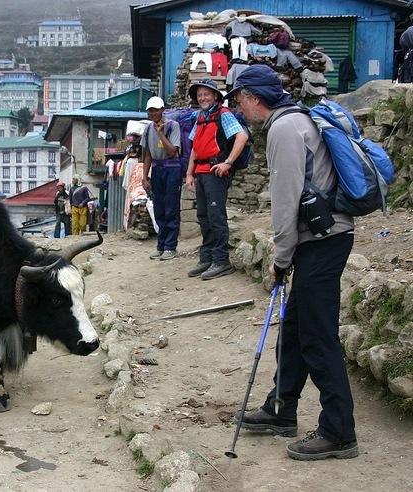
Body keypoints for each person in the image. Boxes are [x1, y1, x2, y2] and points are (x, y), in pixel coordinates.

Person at [227, 64, 358, 460]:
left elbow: (286, 202)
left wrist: (280, 259)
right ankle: (281, 408)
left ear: (252, 98)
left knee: (318, 338)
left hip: (321, 241)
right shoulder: (299, 120)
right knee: (297, 329)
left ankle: (339, 432)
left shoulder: (284, 129)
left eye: (239, 101)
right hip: (324, 237)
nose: (239, 109)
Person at [185, 80, 248, 280]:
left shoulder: (224, 115)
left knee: (216, 216)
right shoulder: (201, 117)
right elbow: (195, 147)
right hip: (202, 172)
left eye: (206, 94)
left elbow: (242, 137)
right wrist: (189, 173)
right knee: (204, 216)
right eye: (199, 95)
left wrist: (228, 163)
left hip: (216, 173)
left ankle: (221, 261)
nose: (202, 98)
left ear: (215, 96)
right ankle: (207, 258)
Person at [141, 96, 183, 260]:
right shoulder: (147, 129)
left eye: (156, 110)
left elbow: (173, 151)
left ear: (162, 110)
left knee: (170, 208)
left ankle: (171, 246)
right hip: (157, 169)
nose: (153, 113)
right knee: (159, 208)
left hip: (172, 168)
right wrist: (145, 177)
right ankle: (161, 245)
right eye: (150, 111)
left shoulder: (173, 126)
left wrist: (160, 133)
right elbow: (148, 154)